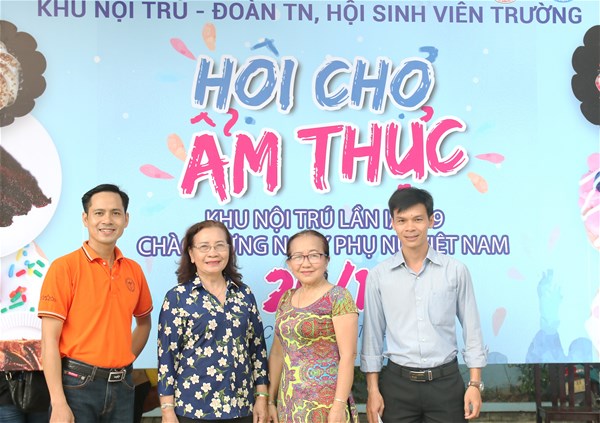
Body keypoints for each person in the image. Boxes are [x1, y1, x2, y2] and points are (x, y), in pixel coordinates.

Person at [360, 187, 487, 423]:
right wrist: (372, 390)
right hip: (397, 387)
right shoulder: (379, 276)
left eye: (418, 219)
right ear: (393, 224)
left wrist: (475, 384)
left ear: (431, 220)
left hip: (445, 384)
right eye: (402, 220)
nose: (410, 227)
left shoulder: (455, 271)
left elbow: (472, 329)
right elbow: (372, 337)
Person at [38, 184, 153, 423]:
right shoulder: (64, 268)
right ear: (85, 218)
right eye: (99, 213)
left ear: (126, 219)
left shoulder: (134, 270)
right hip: (76, 386)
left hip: (123, 386)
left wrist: (122, 358)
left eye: (115, 213)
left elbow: (144, 323)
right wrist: (58, 402)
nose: (107, 220)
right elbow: (49, 340)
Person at [157, 220, 269, 423]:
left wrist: (262, 396)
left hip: (241, 406)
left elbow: (257, 349)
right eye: (204, 247)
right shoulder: (177, 297)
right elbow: (167, 356)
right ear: (191, 254)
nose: (213, 253)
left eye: (219, 245)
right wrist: (167, 410)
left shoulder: (244, 294)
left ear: (229, 250)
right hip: (193, 409)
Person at [267, 229, 359, 423]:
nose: (306, 263)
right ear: (289, 263)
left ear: (327, 260)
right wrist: (270, 401)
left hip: (326, 407)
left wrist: (339, 406)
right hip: (289, 406)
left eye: (314, 255)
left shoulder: (339, 297)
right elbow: (277, 353)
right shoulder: (286, 298)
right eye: (298, 256)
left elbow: (348, 355)